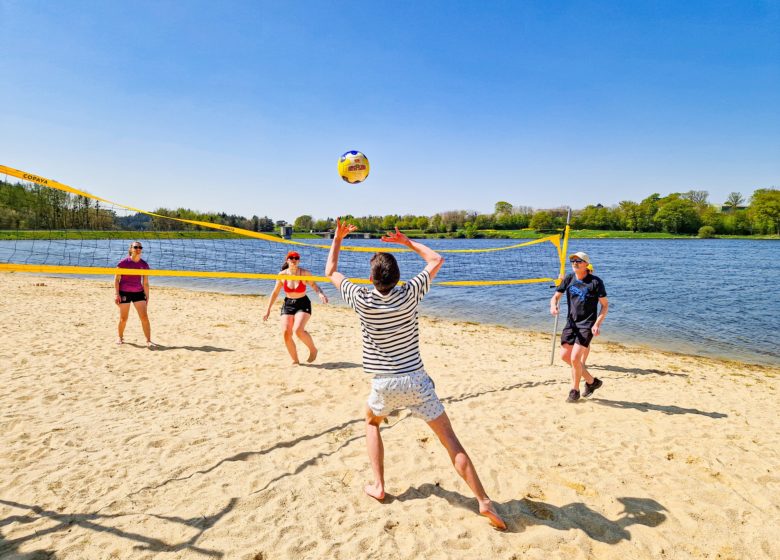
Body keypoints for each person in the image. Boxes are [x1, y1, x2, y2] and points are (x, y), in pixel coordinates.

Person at [325, 219, 506, 531]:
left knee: (371, 422)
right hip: (416, 381)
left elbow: (330, 270)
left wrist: (338, 238)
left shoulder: (361, 297)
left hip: (384, 383)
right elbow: (436, 259)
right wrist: (407, 242)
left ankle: (379, 485)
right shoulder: (410, 292)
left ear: (370, 279)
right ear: (398, 277)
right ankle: (484, 501)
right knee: (450, 440)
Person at [550, 251, 609, 402]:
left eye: (578, 261)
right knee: (565, 356)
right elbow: (556, 296)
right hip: (571, 323)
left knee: (575, 358)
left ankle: (574, 391)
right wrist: (553, 305)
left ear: (586, 264)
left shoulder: (595, 282)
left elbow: (604, 306)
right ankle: (591, 381)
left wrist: (597, 324)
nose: (575, 263)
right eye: (573, 261)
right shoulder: (569, 278)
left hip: (587, 324)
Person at [263, 250, 329, 364]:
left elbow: (314, 285)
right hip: (288, 304)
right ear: (287, 260)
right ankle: (295, 360)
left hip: (303, 303)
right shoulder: (282, 275)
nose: (294, 260)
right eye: (291, 258)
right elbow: (275, 292)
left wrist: (320, 294)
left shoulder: (304, 273)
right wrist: (268, 310)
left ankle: (313, 350)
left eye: (296, 258)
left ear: (299, 260)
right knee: (286, 332)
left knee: (298, 330)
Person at [114, 241, 154, 347]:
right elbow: (116, 280)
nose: (138, 249)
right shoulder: (123, 263)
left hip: (138, 293)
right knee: (123, 319)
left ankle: (148, 340)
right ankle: (120, 337)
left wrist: (147, 296)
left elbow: (145, 283)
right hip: (124, 292)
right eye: (136, 247)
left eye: (140, 247)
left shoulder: (144, 265)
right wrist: (116, 294)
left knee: (144, 317)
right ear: (131, 249)